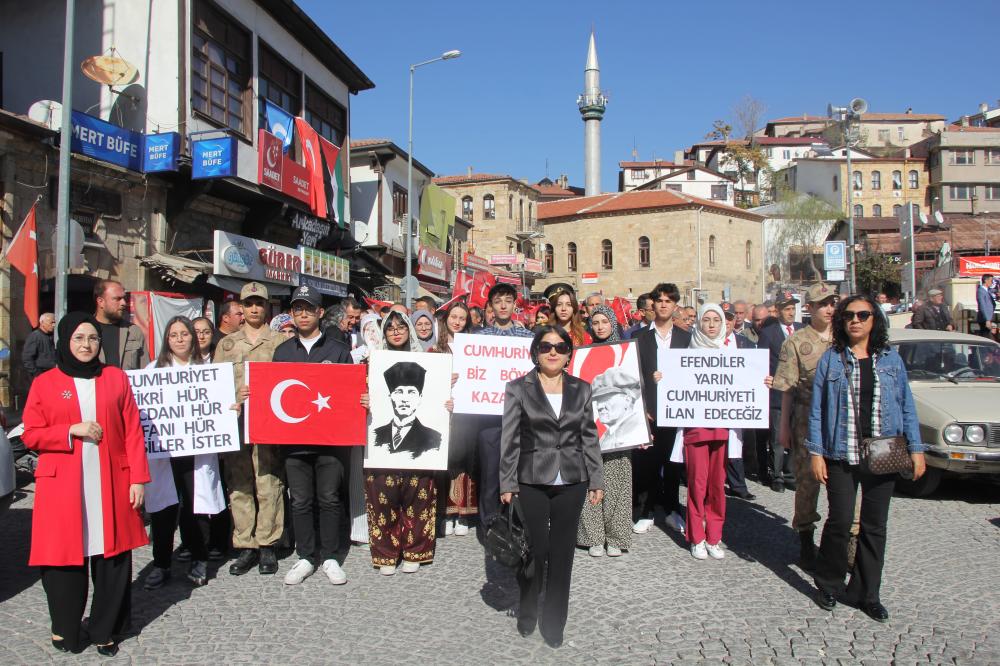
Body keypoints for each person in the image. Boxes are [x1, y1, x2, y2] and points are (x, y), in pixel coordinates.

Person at [23, 312, 150, 656]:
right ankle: (64, 627)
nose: (86, 345)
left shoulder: (115, 378)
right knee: (64, 559)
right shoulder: (45, 382)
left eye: (92, 338)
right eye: (79, 338)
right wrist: (69, 430)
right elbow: (31, 433)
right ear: (65, 341)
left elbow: (134, 431)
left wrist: (138, 477)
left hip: (111, 480)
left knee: (112, 559)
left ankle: (105, 628)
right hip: (63, 486)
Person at [808, 294, 926, 623]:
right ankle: (828, 583)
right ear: (841, 322)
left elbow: (906, 405)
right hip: (840, 452)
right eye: (849, 316)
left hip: (883, 453)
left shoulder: (890, 360)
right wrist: (815, 453)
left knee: (875, 526)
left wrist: (916, 449)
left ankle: (867, 592)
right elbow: (817, 411)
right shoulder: (831, 359)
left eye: (863, 314)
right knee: (840, 521)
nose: (855, 320)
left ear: (875, 319)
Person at [500, 326, 605, 648]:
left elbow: (589, 435)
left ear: (569, 354)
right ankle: (528, 606)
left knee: (562, 555)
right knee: (535, 552)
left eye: (560, 347)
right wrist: (507, 481)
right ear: (535, 352)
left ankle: (554, 619)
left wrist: (596, 478)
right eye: (545, 346)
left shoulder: (582, 389)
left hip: (573, 480)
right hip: (531, 479)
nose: (552, 352)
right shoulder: (518, 388)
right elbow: (510, 438)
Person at [272, 286, 353, 586]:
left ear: (320, 313)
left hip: (330, 442)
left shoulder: (338, 350)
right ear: (291, 314)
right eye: (298, 309)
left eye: (309, 308)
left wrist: (362, 398)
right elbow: (272, 396)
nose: (303, 314)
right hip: (294, 443)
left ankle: (331, 556)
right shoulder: (281, 353)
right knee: (301, 501)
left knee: (329, 498)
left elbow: (350, 394)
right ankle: (306, 555)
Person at [143, 316, 226, 591]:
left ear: (193, 337)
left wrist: (230, 409)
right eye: (174, 335)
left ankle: (198, 559)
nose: (179, 339)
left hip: (196, 452)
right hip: (164, 453)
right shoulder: (153, 370)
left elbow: (220, 406)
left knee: (196, 507)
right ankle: (161, 563)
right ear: (167, 339)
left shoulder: (207, 370)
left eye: (184, 334)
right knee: (164, 510)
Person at [365, 311, 448, 575]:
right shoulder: (370, 363)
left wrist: (446, 401)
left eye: (402, 326)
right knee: (382, 496)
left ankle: (416, 549)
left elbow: (438, 396)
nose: (396, 331)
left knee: (419, 494)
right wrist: (363, 399)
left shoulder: (430, 361)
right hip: (379, 449)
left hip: (421, 452)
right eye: (390, 328)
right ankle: (386, 552)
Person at [213, 281, 285, 576]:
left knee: (268, 483)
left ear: (267, 307)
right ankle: (246, 545)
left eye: (259, 303)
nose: (254, 308)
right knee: (240, 484)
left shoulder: (279, 342)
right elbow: (215, 386)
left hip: (268, 425)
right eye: (249, 304)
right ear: (240, 309)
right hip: (237, 423)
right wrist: (234, 398)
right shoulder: (227, 345)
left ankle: (268, 543)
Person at [669, 304, 750, 560]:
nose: (712, 324)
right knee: (697, 483)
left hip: (723, 429)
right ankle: (696, 537)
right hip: (696, 429)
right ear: (699, 324)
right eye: (707, 320)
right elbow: (676, 385)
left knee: (717, 485)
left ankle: (714, 536)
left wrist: (761, 383)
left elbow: (745, 384)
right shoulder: (687, 352)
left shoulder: (733, 353)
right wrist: (664, 378)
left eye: (716, 320)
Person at [772, 282, 840, 571]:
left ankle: (842, 544)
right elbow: (786, 388)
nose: (828, 308)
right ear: (809, 308)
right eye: (822, 303)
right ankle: (805, 542)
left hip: (841, 422)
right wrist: (784, 429)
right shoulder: (797, 341)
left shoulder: (845, 338)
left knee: (843, 484)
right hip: (805, 420)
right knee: (807, 484)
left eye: (831, 303)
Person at [577, 306, 636, 558]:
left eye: (604, 322)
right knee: (590, 480)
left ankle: (616, 535)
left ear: (613, 324)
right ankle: (593, 536)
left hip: (619, 435)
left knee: (619, 483)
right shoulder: (583, 354)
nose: (600, 326)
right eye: (595, 322)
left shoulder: (627, 352)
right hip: (591, 430)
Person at [475, 283, 535, 526]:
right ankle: (490, 522)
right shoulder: (478, 338)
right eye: (498, 301)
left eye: (508, 301)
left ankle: (518, 520)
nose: (502, 305)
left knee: (520, 469)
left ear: (514, 305)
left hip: (521, 417)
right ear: (490, 305)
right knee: (490, 472)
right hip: (489, 417)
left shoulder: (528, 338)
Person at [634, 283, 691, 534]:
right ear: (653, 305)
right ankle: (645, 511)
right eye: (659, 300)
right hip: (651, 410)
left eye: (669, 300)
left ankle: (671, 509)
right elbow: (634, 374)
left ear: (675, 305)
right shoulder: (642, 338)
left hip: (677, 411)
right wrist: (642, 406)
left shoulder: (686, 339)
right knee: (647, 461)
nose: (664, 304)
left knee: (672, 463)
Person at [431, 301, 478, 535]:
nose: (457, 322)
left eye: (462, 318)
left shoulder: (473, 348)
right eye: (454, 317)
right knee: (444, 463)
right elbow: (426, 381)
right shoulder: (435, 349)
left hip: (465, 413)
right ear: (446, 319)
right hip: (441, 412)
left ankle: (463, 513)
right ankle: (445, 512)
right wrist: (442, 382)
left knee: (464, 461)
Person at [757, 291, 804, 492]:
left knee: (795, 434)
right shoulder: (769, 333)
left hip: (799, 393)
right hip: (777, 394)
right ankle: (776, 476)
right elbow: (761, 361)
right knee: (777, 437)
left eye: (793, 308)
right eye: (787, 309)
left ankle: (791, 472)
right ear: (778, 311)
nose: (791, 312)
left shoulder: (803, 330)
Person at [720, 306, 756, 502]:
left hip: (737, 402)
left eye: (729, 319)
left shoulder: (746, 344)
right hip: (714, 403)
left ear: (735, 322)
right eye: (722, 319)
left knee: (735, 443)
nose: (726, 323)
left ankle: (738, 485)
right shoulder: (706, 344)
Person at [93, 280, 146, 371]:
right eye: (117, 299)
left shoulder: (133, 331)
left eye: (123, 298)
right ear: (100, 301)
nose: (123, 303)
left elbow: (145, 371)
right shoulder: (84, 332)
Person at [23, 312, 57, 382]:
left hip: (50, 373)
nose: (53, 325)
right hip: (40, 373)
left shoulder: (49, 336)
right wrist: (36, 374)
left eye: (54, 322)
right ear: (42, 322)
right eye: (51, 322)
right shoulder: (35, 336)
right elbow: (27, 358)